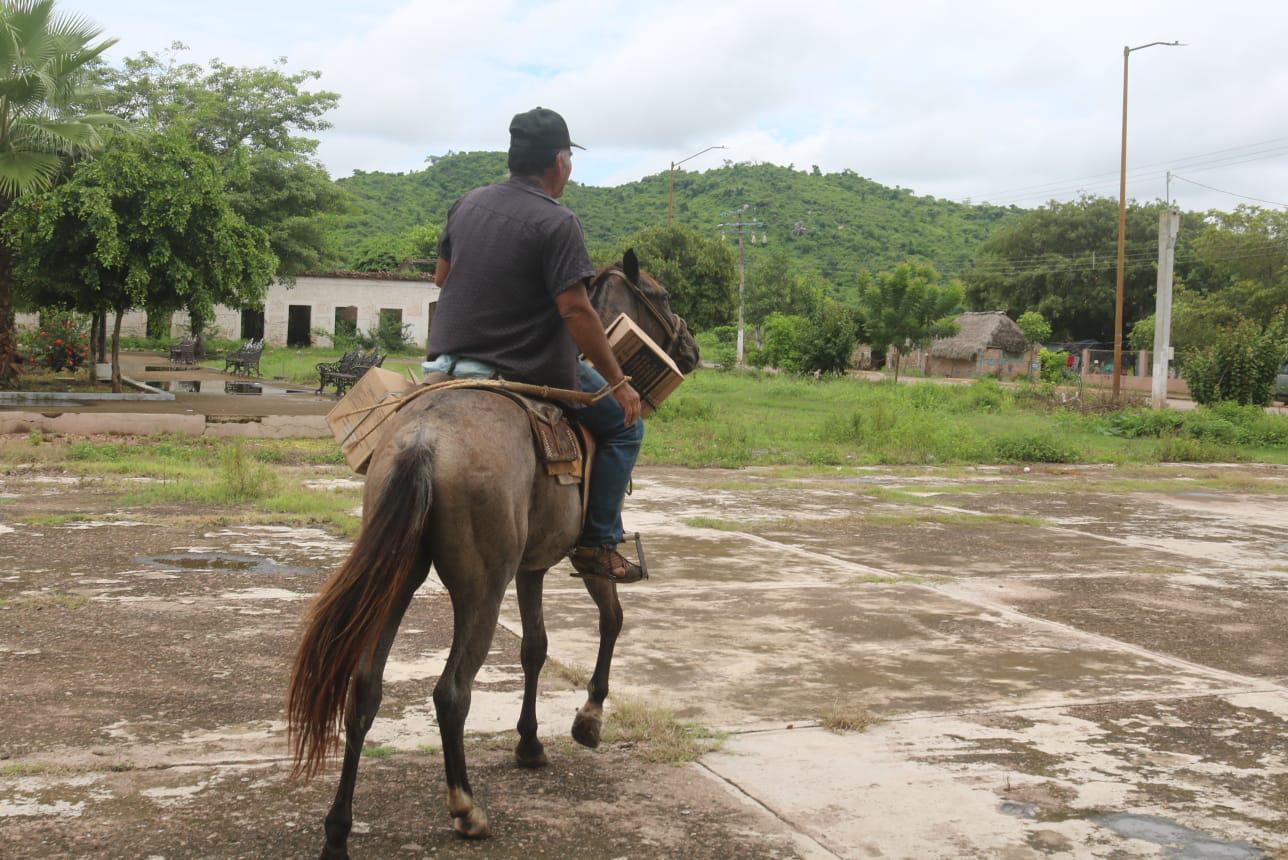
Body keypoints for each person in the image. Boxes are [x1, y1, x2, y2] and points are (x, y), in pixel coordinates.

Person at [425, 107, 646, 584]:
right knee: (626, 427)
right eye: (569, 160)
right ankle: (598, 542)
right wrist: (620, 382)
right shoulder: (558, 222)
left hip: (445, 366)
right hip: (521, 366)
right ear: (559, 162)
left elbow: (442, 277)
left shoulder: (465, 204)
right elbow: (575, 311)